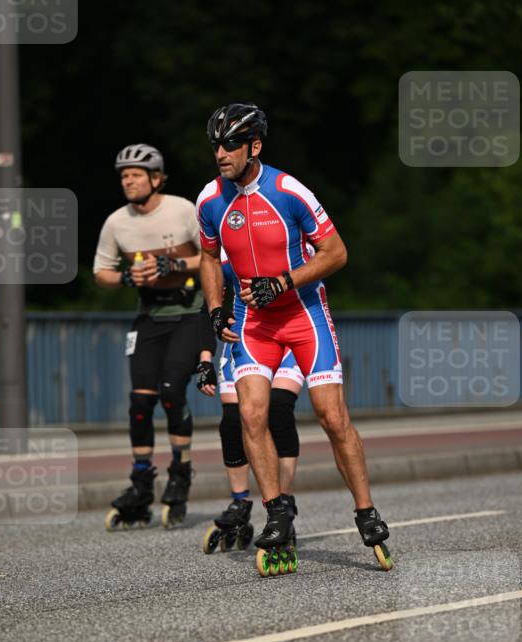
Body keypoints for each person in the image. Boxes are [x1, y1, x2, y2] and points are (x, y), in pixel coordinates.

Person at [196, 104, 392, 571]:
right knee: (251, 413)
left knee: (331, 415)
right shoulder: (209, 199)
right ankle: (277, 514)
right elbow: (207, 258)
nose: (221, 153)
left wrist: (284, 281)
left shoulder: (288, 190)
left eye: (230, 145)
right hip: (251, 320)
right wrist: (215, 308)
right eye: (216, 145)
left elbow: (336, 253)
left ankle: (365, 511)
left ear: (254, 146)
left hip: (302, 314)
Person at [94, 143, 216, 529]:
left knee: (171, 392)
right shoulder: (117, 222)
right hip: (148, 317)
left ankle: (180, 474)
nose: (127, 181)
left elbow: (215, 257)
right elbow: (101, 273)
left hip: (188, 313)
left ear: (157, 178)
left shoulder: (182, 209)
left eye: (135, 175)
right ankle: (141, 482)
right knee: (139, 402)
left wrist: (175, 262)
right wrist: (128, 276)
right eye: (123, 176)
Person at [198, 256, 304, 553]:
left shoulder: (284, 229)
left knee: (280, 408)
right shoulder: (222, 242)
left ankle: (283, 502)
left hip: (289, 335)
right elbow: (207, 306)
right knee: (233, 420)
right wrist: (205, 359)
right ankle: (240, 502)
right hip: (244, 339)